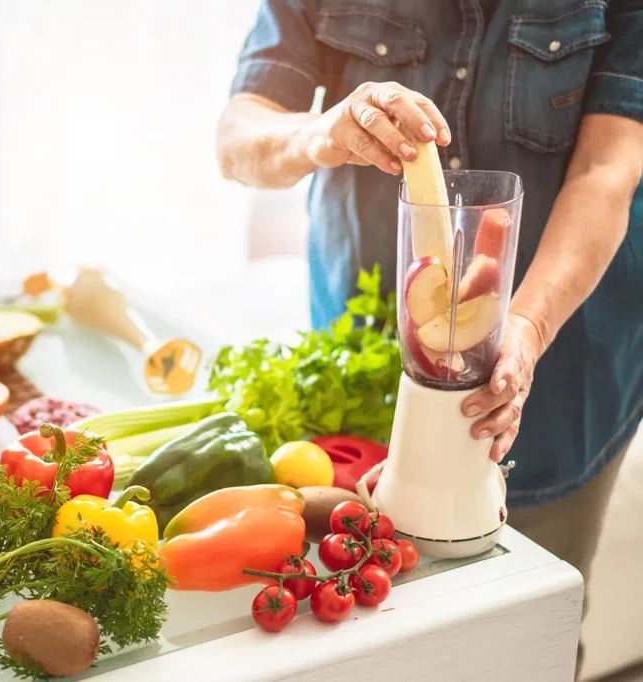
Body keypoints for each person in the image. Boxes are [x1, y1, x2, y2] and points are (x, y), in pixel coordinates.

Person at [217, 0, 642, 674]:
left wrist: (524, 331)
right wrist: (324, 133)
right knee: (366, 645)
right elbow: (239, 141)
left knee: (525, 639)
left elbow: (607, 172)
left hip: (561, 372)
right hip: (365, 365)